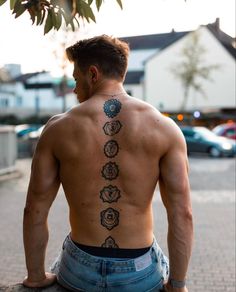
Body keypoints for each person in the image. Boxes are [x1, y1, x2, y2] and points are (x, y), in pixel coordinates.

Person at [23, 35, 193, 292]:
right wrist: (177, 285)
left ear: (93, 74)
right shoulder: (165, 129)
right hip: (139, 271)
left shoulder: (58, 128)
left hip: (80, 270)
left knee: (64, 258)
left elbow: (34, 209)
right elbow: (182, 213)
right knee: (158, 259)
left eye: (76, 79)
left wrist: (36, 277)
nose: (74, 88)